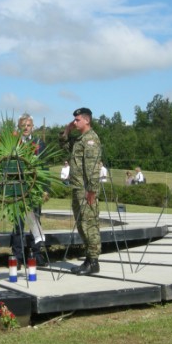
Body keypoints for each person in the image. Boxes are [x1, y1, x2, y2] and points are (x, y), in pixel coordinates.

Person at [60, 107, 102, 275]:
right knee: (81, 225)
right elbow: (63, 145)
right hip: (78, 188)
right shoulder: (79, 139)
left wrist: (91, 191)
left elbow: (92, 169)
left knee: (89, 225)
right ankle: (89, 259)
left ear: (87, 120)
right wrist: (67, 130)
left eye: (77, 120)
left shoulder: (90, 140)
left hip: (86, 190)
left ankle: (93, 261)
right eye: (74, 120)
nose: (75, 122)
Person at [10, 114, 49, 267]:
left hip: (35, 188)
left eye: (28, 125)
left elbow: (44, 168)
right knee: (18, 224)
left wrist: (45, 189)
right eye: (23, 125)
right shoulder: (14, 143)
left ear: (33, 127)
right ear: (19, 127)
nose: (25, 128)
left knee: (35, 221)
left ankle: (36, 253)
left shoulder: (39, 143)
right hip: (17, 188)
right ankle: (18, 256)